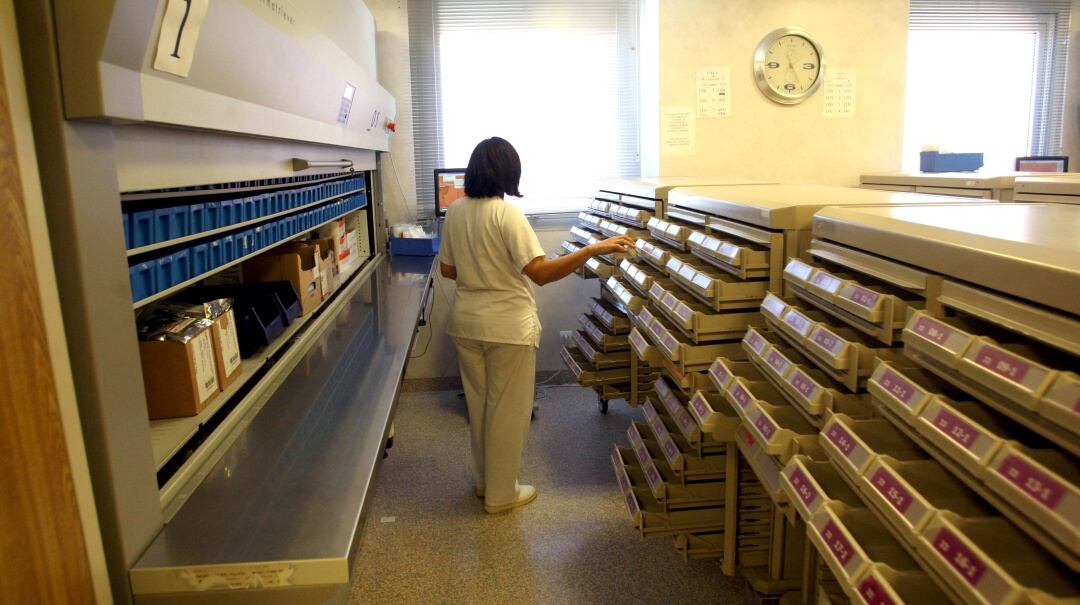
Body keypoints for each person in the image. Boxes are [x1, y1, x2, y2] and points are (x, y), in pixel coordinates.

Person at [439, 137, 635, 513]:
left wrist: (480, 266)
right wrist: (592, 249)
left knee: (480, 408)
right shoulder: (507, 214)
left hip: (465, 322)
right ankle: (501, 495)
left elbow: (449, 270)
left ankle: (485, 484)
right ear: (509, 172)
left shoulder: (456, 211)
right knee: (508, 413)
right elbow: (541, 273)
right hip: (506, 326)